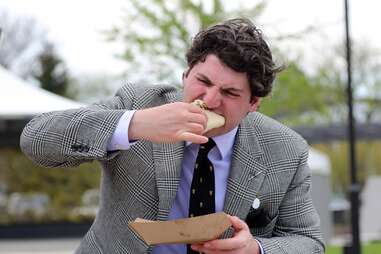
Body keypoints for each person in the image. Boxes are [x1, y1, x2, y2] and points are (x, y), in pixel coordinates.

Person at [20, 18, 325, 253]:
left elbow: (308, 241)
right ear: (185, 75)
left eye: (230, 92)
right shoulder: (140, 103)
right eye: (202, 81)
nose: (210, 99)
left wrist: (255, 249)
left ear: (254, 103)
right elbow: (36, 139)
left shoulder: (286, 149)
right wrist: (135, 125)